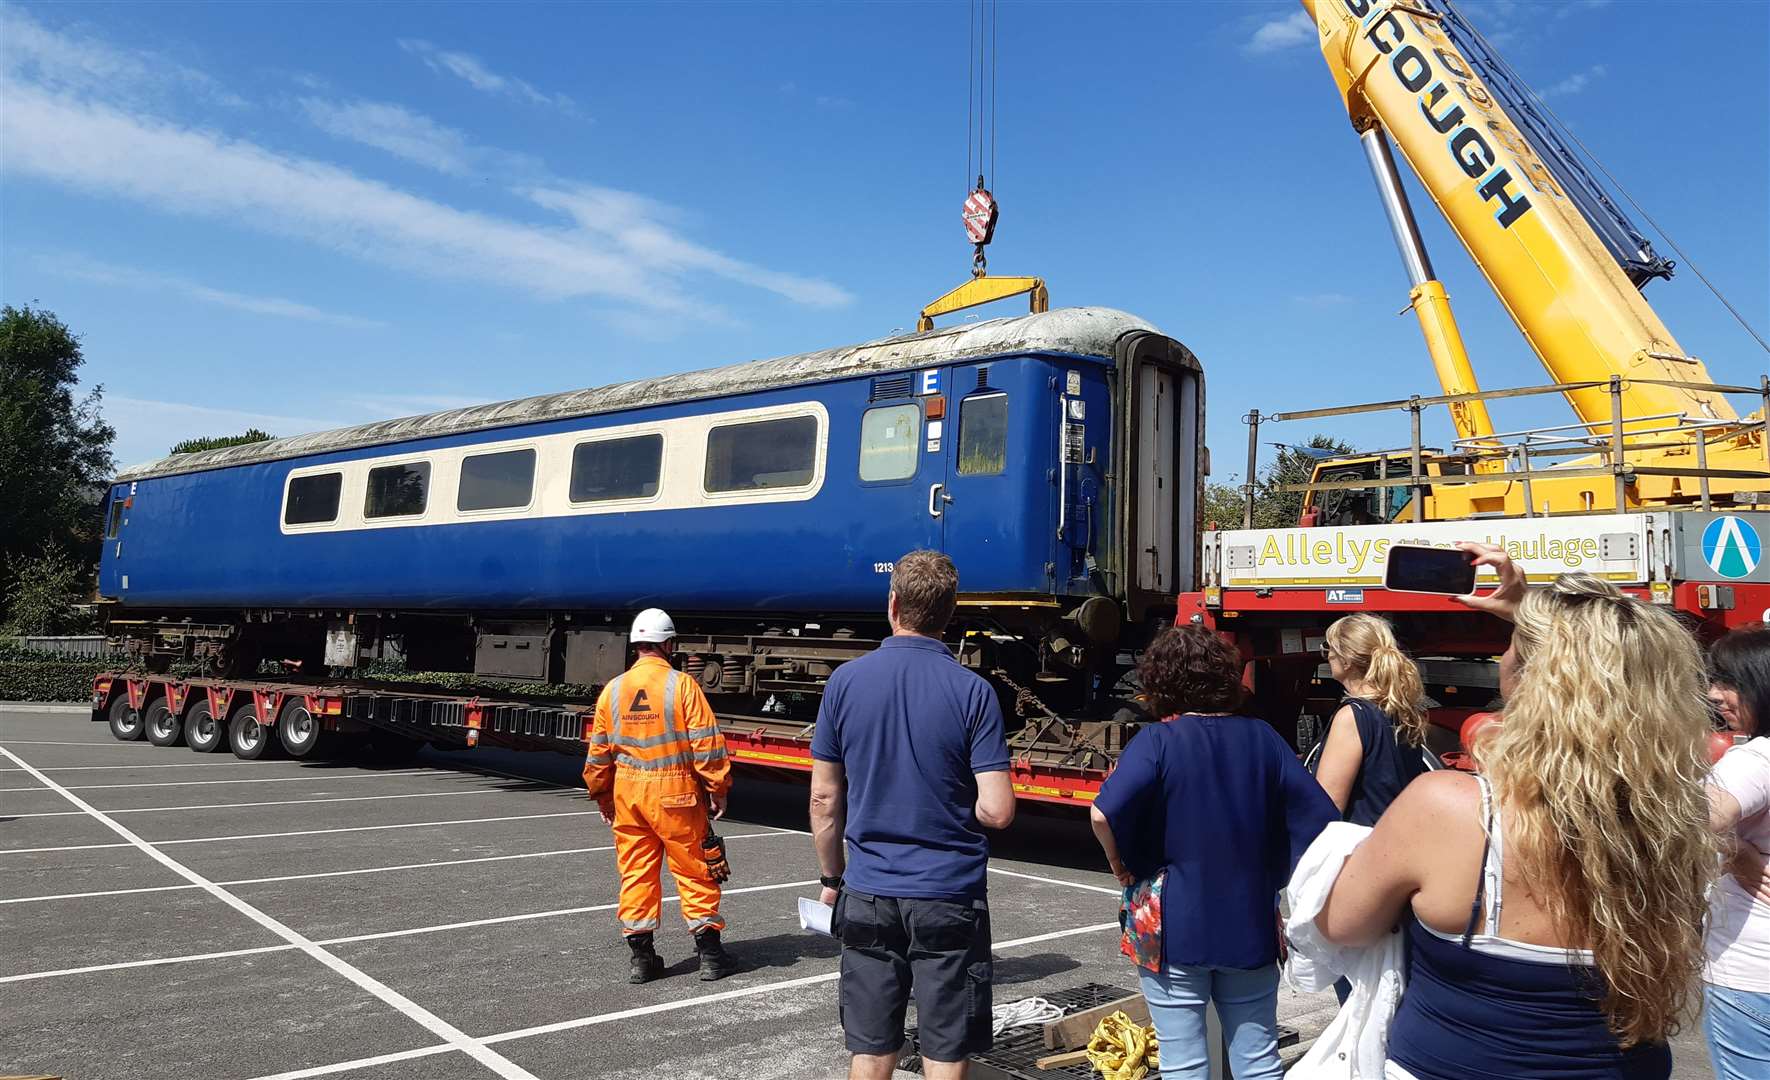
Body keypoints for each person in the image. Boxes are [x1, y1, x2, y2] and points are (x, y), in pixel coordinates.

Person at [1316, 544, 1717, 1079]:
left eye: (1511, 646)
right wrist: (1525, 609)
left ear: (1532, 680)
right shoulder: (1675, 817)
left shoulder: (1451, 809)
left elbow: (1339, 925)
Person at [1090, 626, 1338, 1080]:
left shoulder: (1157, 741)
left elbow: (1104, 814)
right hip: (1250, 921)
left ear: (1160, 682)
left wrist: (1120, 866)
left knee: (1184, 1063)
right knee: (1259, 1061)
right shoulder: (1263, 738)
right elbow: (1322, 821)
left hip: (1171, 927)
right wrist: (1275, 873)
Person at [809, 550, 1016, 1080]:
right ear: (951, 613)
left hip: (869, 889)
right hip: (948, 893)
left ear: (893, 603)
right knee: (945, 1051)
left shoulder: (845, 683)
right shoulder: (974, 691)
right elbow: (997, 811)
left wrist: (833, 880)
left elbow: (825, 800)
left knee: (872, 1048)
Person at [584, 607, 736, 984]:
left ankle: (642, 959)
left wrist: (601, 793)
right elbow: (706, 744)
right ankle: (711, 956)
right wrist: (717, 787)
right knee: (695, 871)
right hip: (677, 794)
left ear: (636, 645)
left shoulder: (613, 690)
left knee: (636, 874)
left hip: (629, 796)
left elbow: (598, 751)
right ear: (669, 644)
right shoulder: (682, 686)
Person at [1702, 625, 1770, 1079]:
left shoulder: (1756, 760)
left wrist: (1734, 852)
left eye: (1729, 682)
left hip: (1753, 977)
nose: (1714, 694)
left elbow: (1685, 823)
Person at [1314, 613, 1430, 825]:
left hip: (1360, 849)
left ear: (1346, 659)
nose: (1328, 655)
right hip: (1393, 840)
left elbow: (1328, 805)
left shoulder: (1352, 716)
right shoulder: (1402, 711)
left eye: (1329, 647)